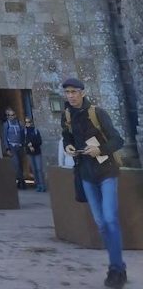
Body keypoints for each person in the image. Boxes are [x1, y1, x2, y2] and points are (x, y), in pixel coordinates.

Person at [61, 77, 126, 289]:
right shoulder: (67, 115)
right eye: (67, 92)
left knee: (110, 219)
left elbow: (118, 140)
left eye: (73, 91)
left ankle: (116, 269)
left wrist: (101, 150)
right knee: (101, 223)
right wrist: (68, 147)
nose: (70, 95)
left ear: (82, 92)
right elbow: (67, 136)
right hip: (86, 174)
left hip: (106, 171)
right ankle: (117, 265)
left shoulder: (97, 113)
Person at [1, 107, 26, 188]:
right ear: (7, 116)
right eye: (9, 115)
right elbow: (4, 137)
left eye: (13, 115)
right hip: (12, 146)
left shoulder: (19, 123)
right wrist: (7, 148)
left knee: (21, 164)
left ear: (15, 115)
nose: (11, 117)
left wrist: (23, 144)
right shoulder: (6, 124)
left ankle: (20, 180)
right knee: (16, 163)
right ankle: (21, 181)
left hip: (20, 146)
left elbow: (23, 134)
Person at [24, 116, 46, 191]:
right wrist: (28, 146)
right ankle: (38, 185)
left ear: (32, 122)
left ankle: (42, 185)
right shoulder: (24, 132)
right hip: (29, 153)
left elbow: (39, 141)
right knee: (33, 169)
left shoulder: (36, 131)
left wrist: (32, 144)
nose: (27, 124)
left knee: (39, 169)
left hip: (37, 152)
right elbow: (23, 141)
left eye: (29, 122)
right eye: (26, 122)